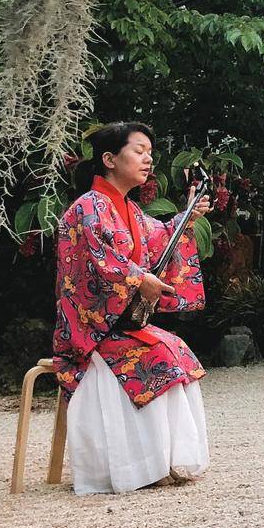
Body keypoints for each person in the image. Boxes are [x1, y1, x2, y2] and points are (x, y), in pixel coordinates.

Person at [52, 121, 212, 495]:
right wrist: (141, 280)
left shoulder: (128, 208)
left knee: (176, 351)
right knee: (155, 355)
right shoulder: (88, 207)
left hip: (115, 323)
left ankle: (159, 461)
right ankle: (136, 467)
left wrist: (188, 216)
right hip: (91, 327)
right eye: (138, 150)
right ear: (109, 159)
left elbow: (159, 240)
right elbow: (103, 263)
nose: (147, 158)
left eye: (149, 153)